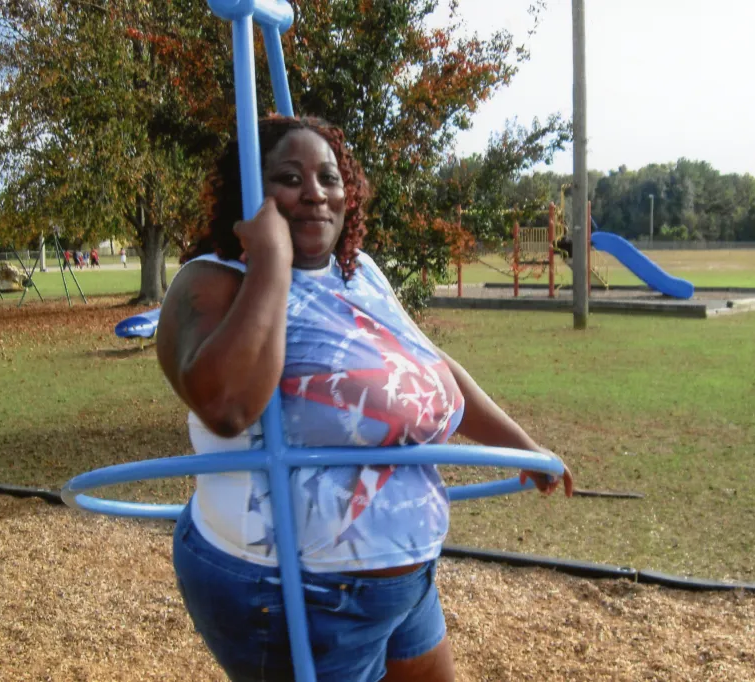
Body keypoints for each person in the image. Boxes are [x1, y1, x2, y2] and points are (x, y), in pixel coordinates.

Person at [156, 115, 573, 682]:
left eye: (329, 178)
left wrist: (523, 448)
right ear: (249, 191)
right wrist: (273, 264)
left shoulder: (359, 273)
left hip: (407, 577)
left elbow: (433, 368)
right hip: (295, 593)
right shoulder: (212, 281)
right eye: (288, 177)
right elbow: (226, 406)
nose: (314, 194)